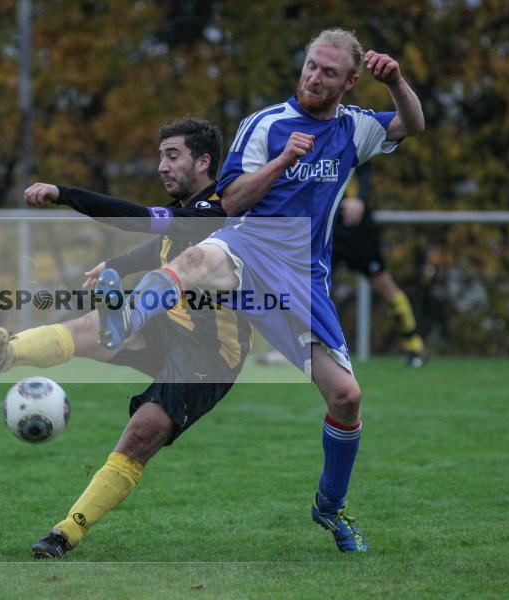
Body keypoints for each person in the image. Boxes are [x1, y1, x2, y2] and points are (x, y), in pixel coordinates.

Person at [95, 28, 425, 553]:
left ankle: (330, 508)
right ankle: (125, 320)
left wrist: (398, 83)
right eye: (311, 65)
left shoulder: (354, 128)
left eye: (329, 72)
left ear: (350, 82)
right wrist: (282, 162)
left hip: (302, 280)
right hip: (249, 249)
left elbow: (412, 124)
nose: (315, 77)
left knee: (347, 397)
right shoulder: (267, 125)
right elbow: (230, 204)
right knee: (201, 256)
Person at [0, 117, 253, 558]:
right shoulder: (188, 213)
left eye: (173, 155)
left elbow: (142, 221)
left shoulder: (218, 210)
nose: (162, 166)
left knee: (143, 432)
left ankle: (67, 531)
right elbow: (159, 246)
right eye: (160, 155)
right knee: (94, 326)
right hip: (169, 324)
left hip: (211, 353)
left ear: (203, 161)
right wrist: (118, 266)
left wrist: (64, 194)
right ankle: (4, 354)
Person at [332, 165, 427, 366]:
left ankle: (414, 346)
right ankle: (292, 349)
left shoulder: (352, 136)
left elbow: (365, 170)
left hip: (357, 228)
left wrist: (359, 199)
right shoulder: (303, 140)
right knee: (308, 286)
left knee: (383, 284)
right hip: (326, 227)